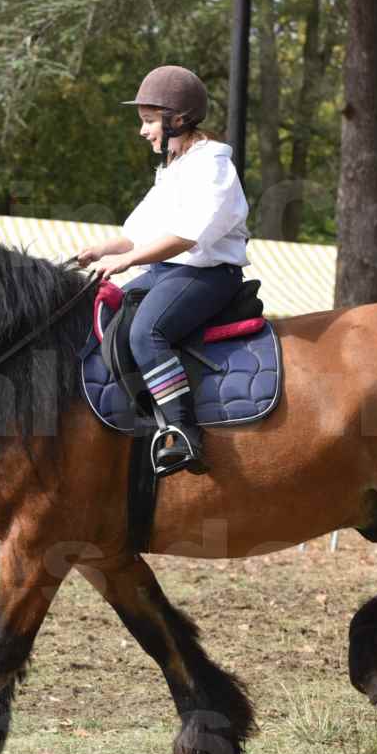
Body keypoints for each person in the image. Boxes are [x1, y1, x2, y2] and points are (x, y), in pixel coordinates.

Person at [75, 64, 250, 476]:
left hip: (208, 274)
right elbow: (137, 234)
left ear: (178, 120)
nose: (142, 131)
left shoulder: (212, 167)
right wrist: (100, 250)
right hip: (168, 271)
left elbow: (187, 237)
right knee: (106, 312)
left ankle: (182, 430)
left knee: (146, 332)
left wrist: (127, 261)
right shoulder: (173, 169)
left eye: (149, 121)